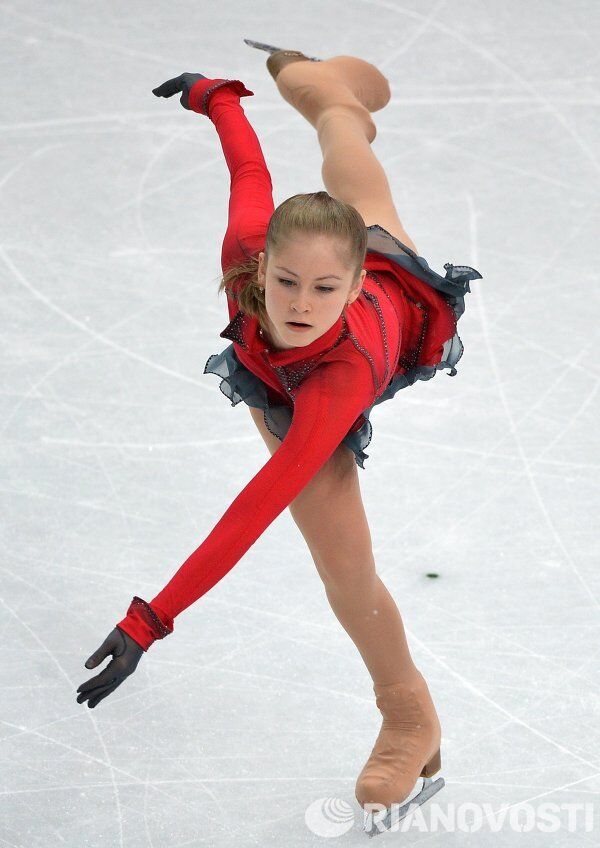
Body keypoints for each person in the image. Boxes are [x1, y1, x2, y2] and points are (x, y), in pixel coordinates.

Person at [76, 45, 481, 830]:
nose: (300, 302)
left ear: (355, 283)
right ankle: (322, 87)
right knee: (345, 158)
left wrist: (148, 620)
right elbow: (249, 176)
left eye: (325, 288)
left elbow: (255, 506)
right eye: (286, 281)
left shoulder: (340, 376)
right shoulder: (250, 257)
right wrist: (217, 98)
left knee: (343, 566)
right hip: (280, 369)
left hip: (348, 360)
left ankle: (408, 714)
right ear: (262, 268)